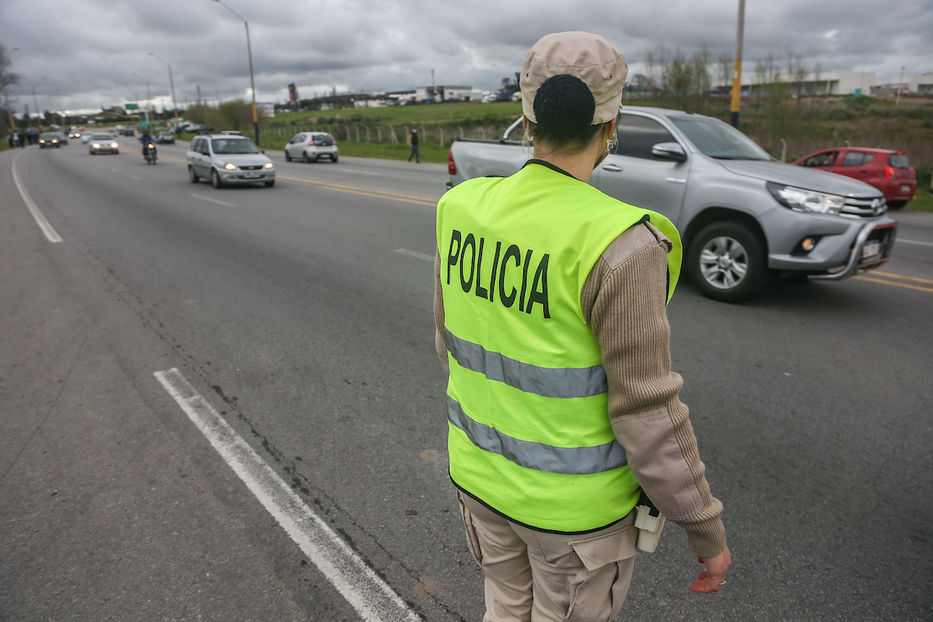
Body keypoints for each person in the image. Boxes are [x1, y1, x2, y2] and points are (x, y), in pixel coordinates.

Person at [433, 32, 730, 621]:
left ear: (526, 116)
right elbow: (647, 409)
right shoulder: (622, 242)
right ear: (611, 123)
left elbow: (452, 346)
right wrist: (706, 530)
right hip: (575, 519)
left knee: (504, 610)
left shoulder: (459, 208)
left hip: (479, 481)